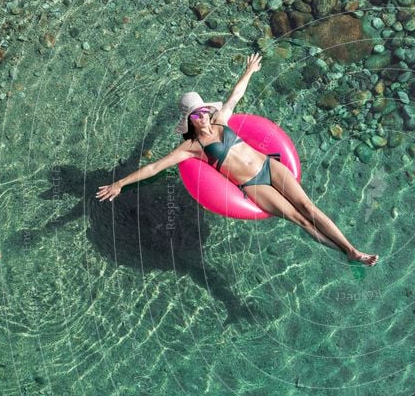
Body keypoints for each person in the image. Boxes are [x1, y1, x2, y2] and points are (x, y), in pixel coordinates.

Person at [96, 52, 378, 266]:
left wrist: (248, 71)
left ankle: (351, 248)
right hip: (254, 185)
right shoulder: (191, 148)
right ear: (189, 121)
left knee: (308, 205)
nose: (203, 117)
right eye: (196, 115)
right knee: (300, 219)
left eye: (203, 111)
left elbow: (235, 96)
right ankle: (350, 255)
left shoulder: (221, 120)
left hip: (270, 166)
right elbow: (154, 167)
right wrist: (120, 183)